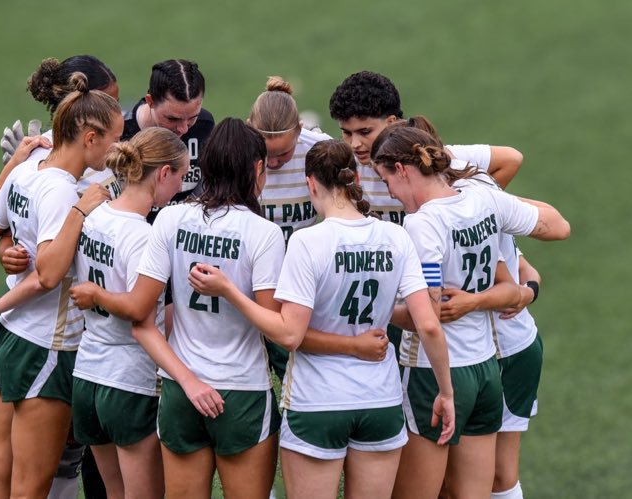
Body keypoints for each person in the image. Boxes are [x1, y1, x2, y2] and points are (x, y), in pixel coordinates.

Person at [187, 140, 457, 499]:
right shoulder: (397, 236)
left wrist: (230, 291)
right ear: (357, 177)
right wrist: (446, 392)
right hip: (380, 401)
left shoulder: (306, 241)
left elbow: (288, 335)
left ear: (311, 183)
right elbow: (427, 324)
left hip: (317, 403)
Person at [67, 119, 284, 499]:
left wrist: (188, 381)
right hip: (242, 393)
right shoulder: (263, 233)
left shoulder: (170, 218)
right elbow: (277, 328)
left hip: (180, 393)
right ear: (256, 169)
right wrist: (232, 292)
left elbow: (142, 319)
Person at [367, 125, 569, 498]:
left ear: (402, 169)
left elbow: (426, 320)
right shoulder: (484, 202)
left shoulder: (422, 224)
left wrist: (377, 312)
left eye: (386, 181)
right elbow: (517, 275)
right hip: (486, 371)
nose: (390, 194)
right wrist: (521, 291)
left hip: (436, 375)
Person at [0, 74, 124, 499]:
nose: (118, 151)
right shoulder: (63, 193)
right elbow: (50, 274)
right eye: (114, 140)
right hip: (46, 348)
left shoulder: (29, 168)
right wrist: (80, 210)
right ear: (90, 138)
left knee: (0, 476)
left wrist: (9, 167)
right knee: (31, 487)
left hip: (12, 338)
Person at [68, 127, 190, 499]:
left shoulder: (96, 216)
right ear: (164, 174)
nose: (182, 188)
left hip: (88, 375)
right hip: (128, 381)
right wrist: (99, 294)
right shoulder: (141, 235)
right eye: (182, 177)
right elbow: (138, 309)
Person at [327, 70, 524, 225]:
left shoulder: (430, 158)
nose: (354, 144)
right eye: (346, 133)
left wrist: (474, 212)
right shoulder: (346, 167)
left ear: (392, 122)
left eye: (365, 132)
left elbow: (510, 160)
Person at [246, 75, 334, 383]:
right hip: (250, 285)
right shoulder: (237, 154)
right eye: (265, 153)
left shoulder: (321, 153)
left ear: (300, 131)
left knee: (303, 377)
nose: (272, 162)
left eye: (283, 153)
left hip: (302, 287)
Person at [120, 59, 215, 220]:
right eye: (172, 119)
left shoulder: (204, 125)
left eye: (192, 117)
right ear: (150, 101)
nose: (183, 128)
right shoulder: (122, 133)